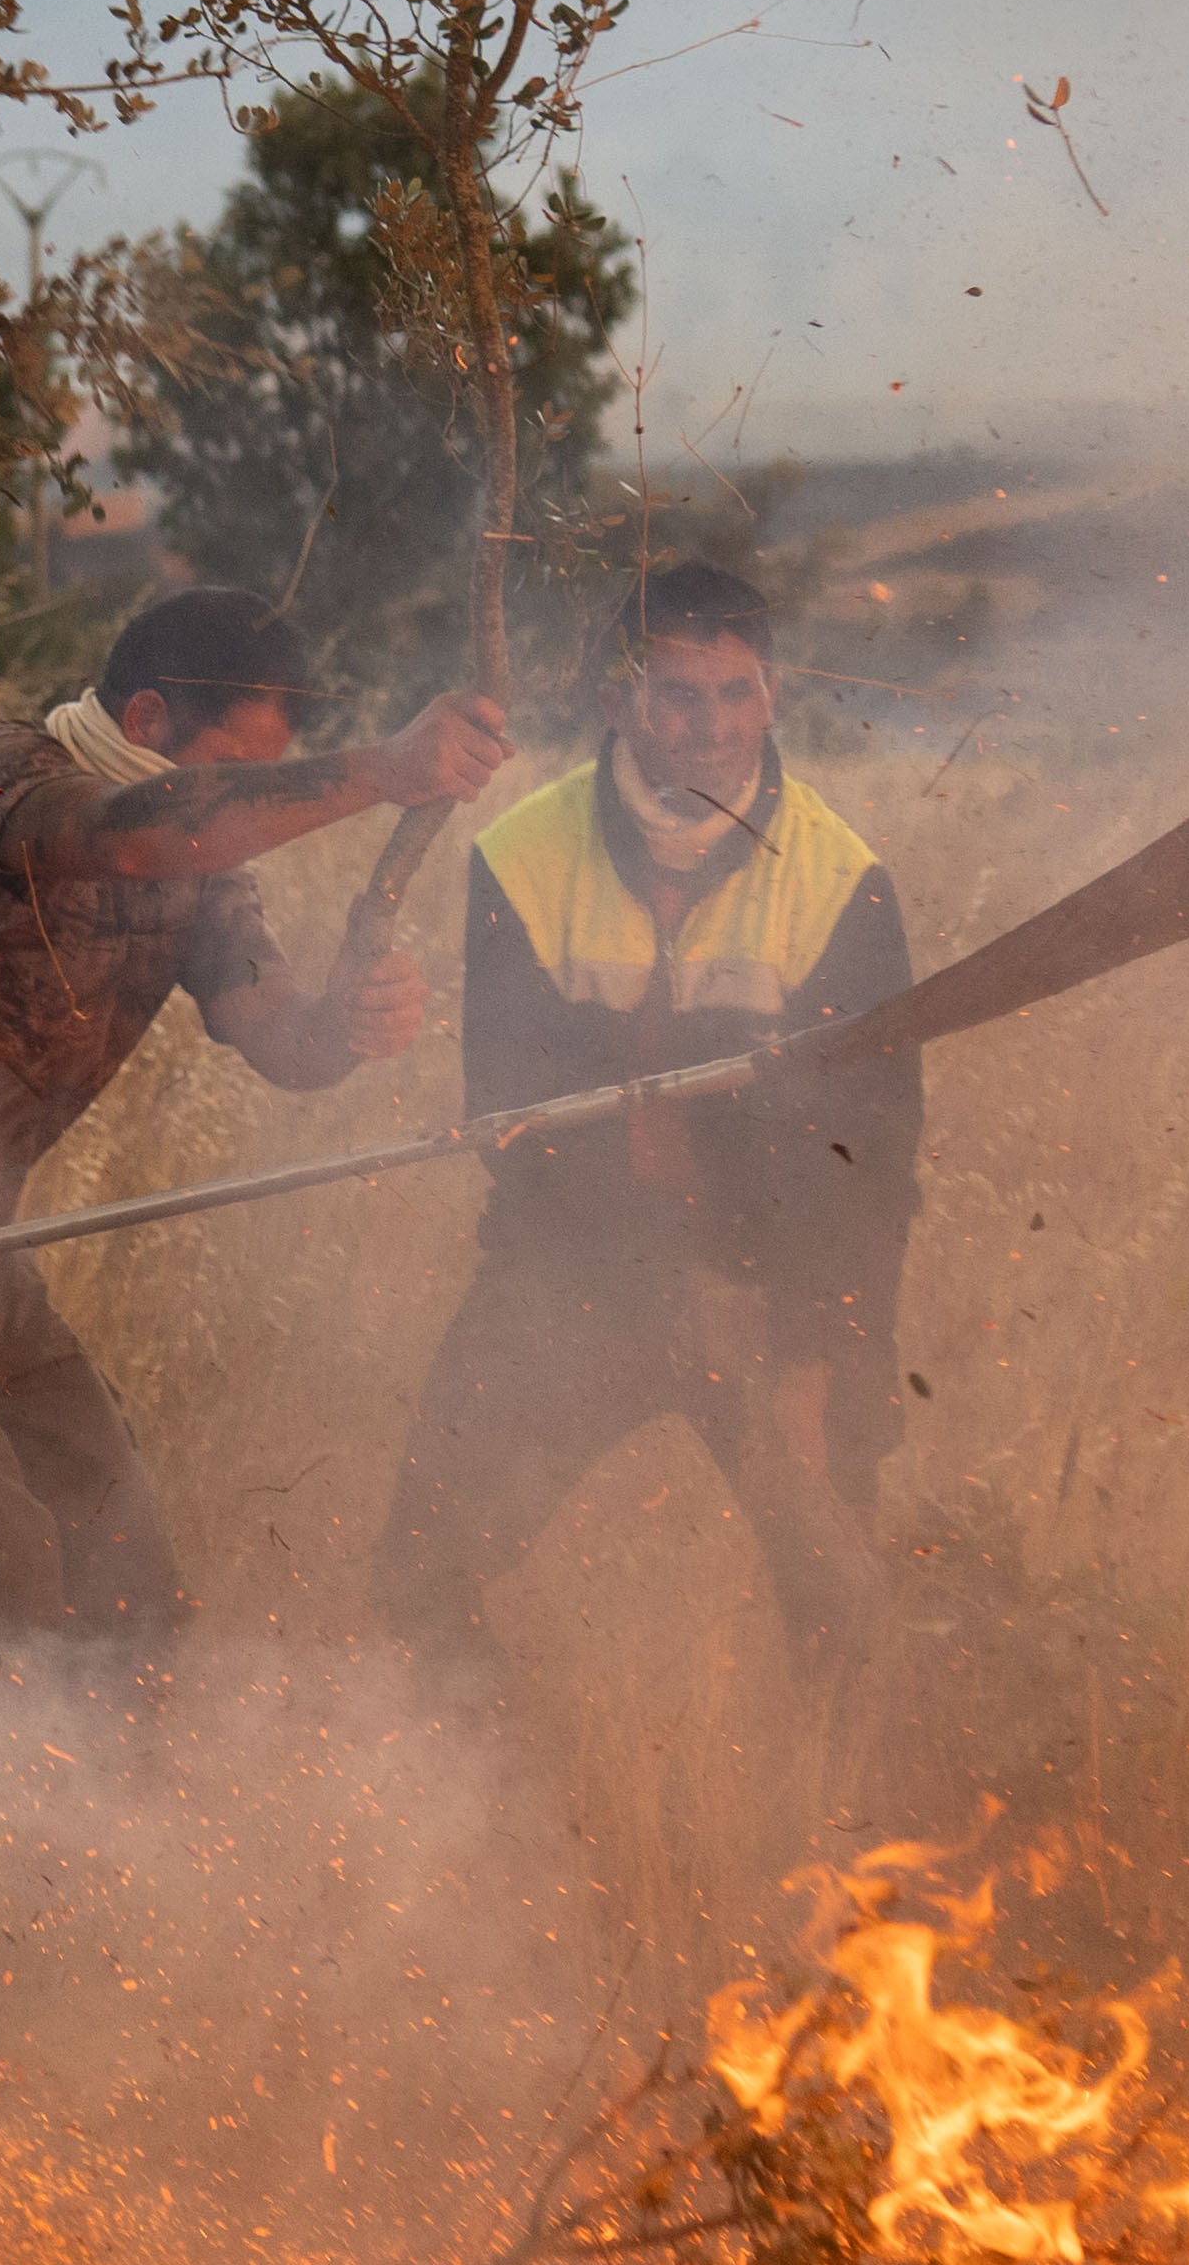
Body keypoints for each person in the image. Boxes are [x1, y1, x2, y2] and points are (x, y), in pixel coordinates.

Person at [0, 588, 507, 1653]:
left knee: (128, 1581)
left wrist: (349, 1021)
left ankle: (126, 1811)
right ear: (146, 723)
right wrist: (380, 771)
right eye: (230, 767)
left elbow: (283, 1041)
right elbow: (123, 843)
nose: (239, 799)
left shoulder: (206, 874)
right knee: (4, 1600)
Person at [369, 558, 921, 1702]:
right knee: (420, 1575)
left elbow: (874, 1157)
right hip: (573, 1275)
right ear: (619, 701)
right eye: (677, 694)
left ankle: (824, 1836)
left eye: (734, 694)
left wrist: (817, 1349)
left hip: (782, 1293)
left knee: (844, 1610)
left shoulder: (842, 879)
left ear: (772, 696)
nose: (709, 726)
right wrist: (651, 1277)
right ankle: (498, 1817)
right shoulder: (517, 857)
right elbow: (509, 1115)